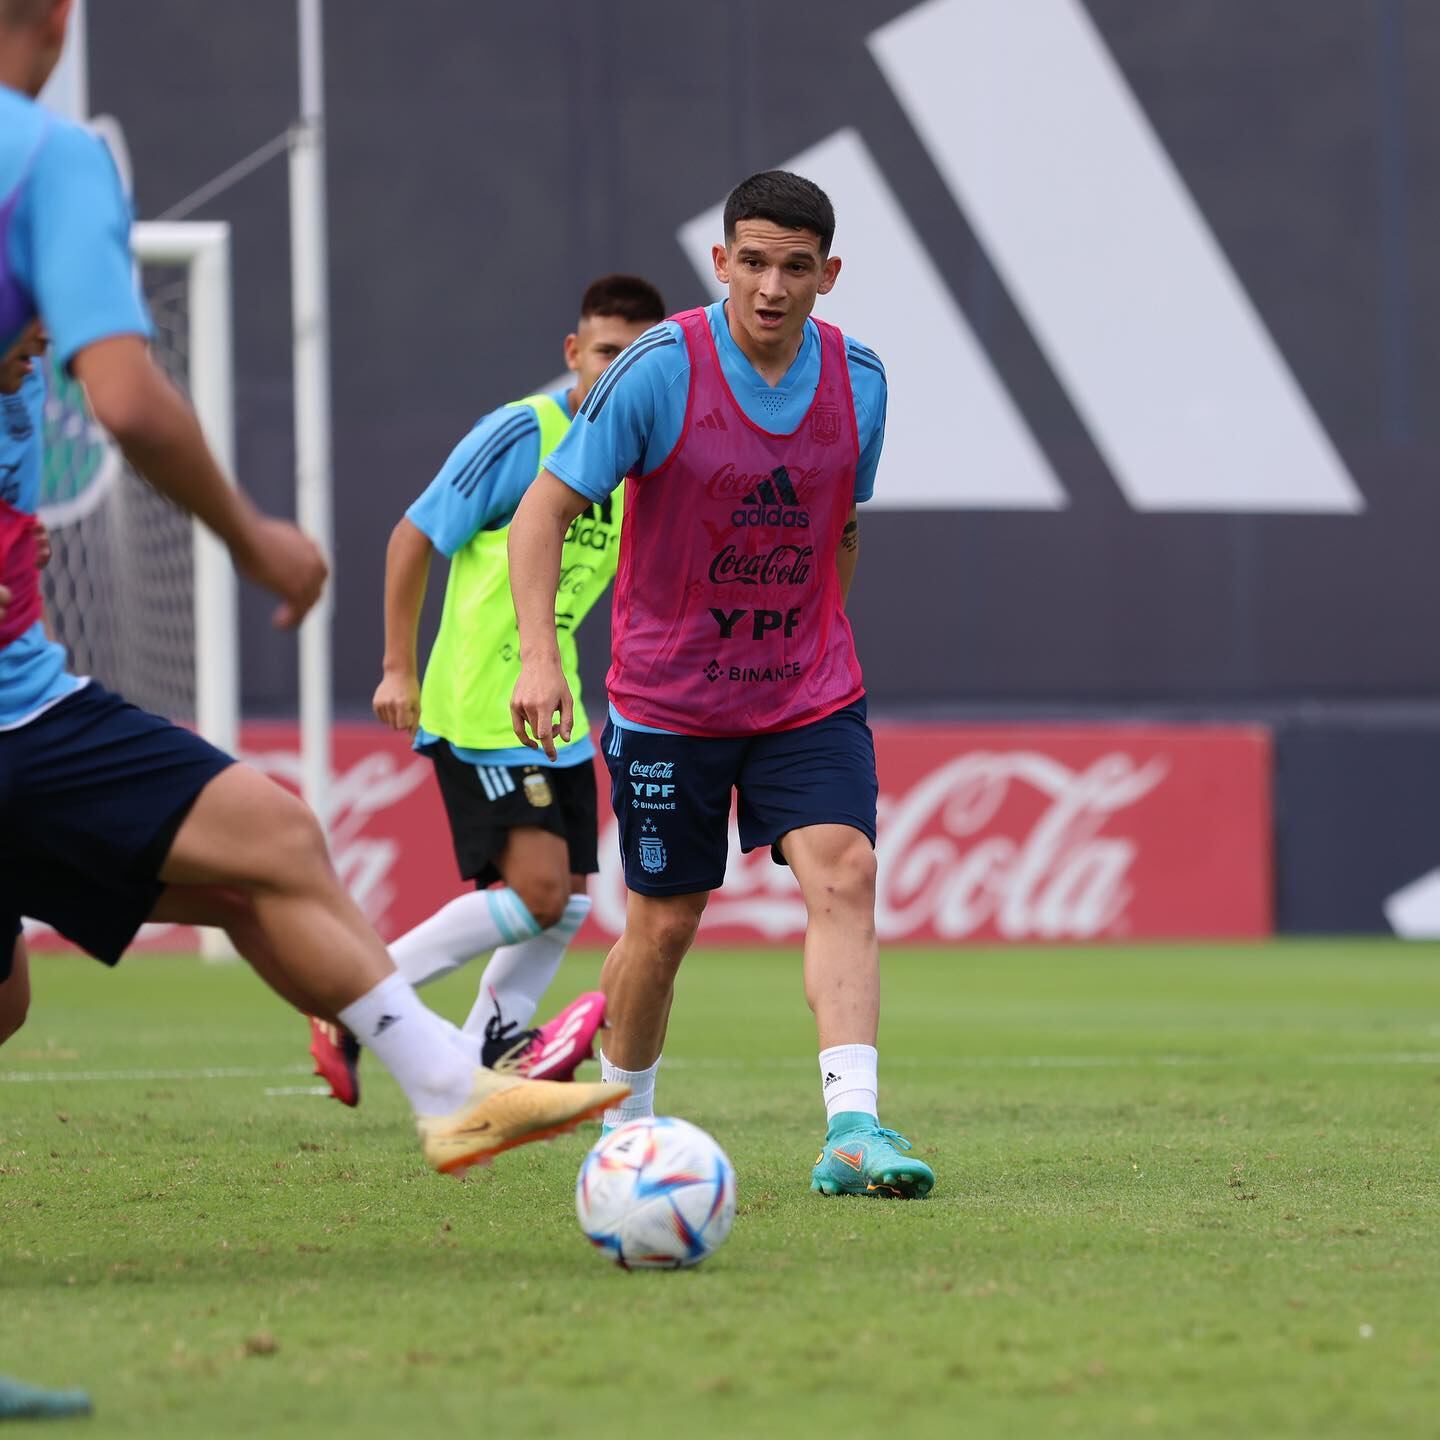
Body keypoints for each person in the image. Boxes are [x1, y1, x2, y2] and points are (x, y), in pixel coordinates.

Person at [0, 0, 625, 1173]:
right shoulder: (45, 157)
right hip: (19, 708)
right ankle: (455, 1083)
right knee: (279, 837)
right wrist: (253, 539)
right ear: (59, 19)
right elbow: (130, 401)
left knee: (179, 921)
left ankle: (457, 1075)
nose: (40, 337)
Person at [509, 169, 935, 1199]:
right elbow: (543, 512)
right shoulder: (658, 369)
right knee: (665, 923)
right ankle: (628, 1128)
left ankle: (854, 1129)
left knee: (846, 873)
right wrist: (535, 655)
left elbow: (839, 524)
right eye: (753, 261)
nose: (773, 286)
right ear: (721, 264)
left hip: (807, 693)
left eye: (796, 267)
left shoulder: (861, 381)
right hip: (671, 703)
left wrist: (821, 633)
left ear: (829, 274)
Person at [309, 275, 666, 1106]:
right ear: (575, 354)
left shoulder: (635, 455)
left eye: (637, 356)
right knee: (538, 893)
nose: (618, 370)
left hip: (558, 708)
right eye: (606, 351)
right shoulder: (524, 431)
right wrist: (399, 666)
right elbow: (414, 535)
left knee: (571, 900)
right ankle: (351, 997)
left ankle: (487, 1047)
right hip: (482, 700)